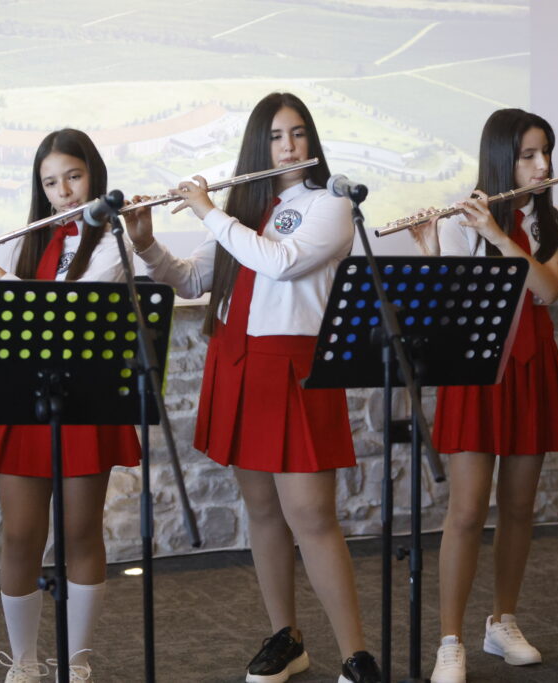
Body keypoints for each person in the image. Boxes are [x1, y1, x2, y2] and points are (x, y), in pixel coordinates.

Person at [123, 92, 382, 683]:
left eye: (297, 134)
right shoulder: (244, 209)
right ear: (257, 147)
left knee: (312, 517)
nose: (288, 146)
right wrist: (145, 244)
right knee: (263, 512)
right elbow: (191, 280)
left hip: (293, 366)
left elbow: (282, 262)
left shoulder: (330, 204)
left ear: (311, 141)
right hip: (238, 362)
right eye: (275, 137)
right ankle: (286, 638)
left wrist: (210, 213)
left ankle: (356, 655)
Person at [0, 128, 141, 682]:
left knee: (80, 534)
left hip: (85, 399)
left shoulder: (115, 242)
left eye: (74, 176)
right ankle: (25, 663)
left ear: (94, 175)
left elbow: (68, 311)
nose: (63, 191)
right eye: (51, 182)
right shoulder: (29, 243)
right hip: (24, 399)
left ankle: (77, 664)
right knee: (19, 536)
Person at [409, 109, 558, 683]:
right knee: (465, 511)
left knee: (520, 506)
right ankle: (450, 640)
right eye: (529, 155)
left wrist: (500, 237)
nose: (542, 165)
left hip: (532, 367)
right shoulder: (463, 218)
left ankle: (502, 621)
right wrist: (432, 252)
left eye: (546, 152)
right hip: (476, 369)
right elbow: (448, 307)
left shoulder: (557, 222)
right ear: (502, 158)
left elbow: (547, 289)